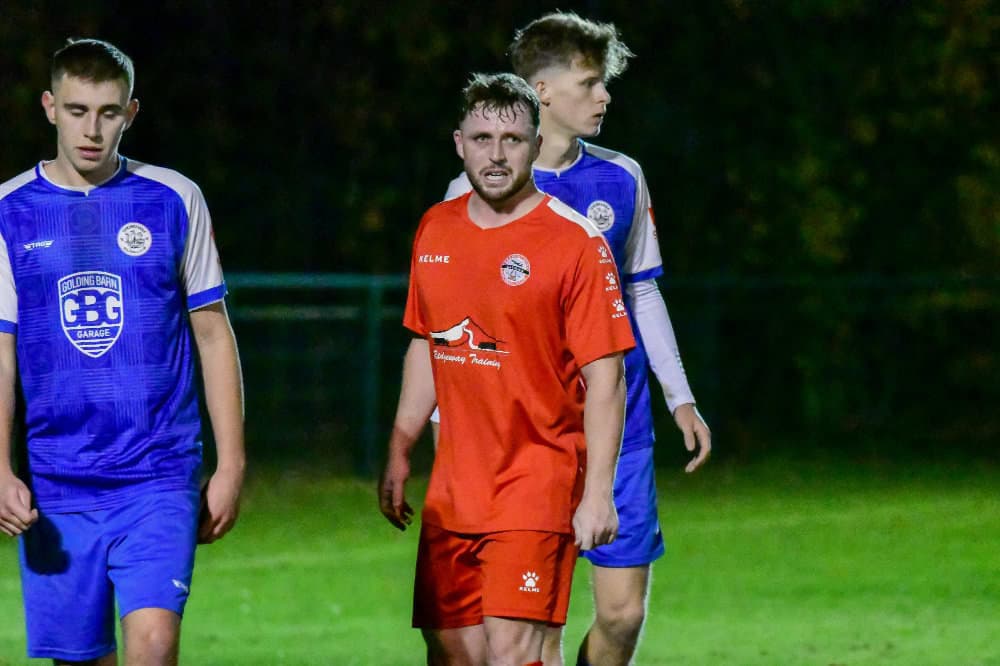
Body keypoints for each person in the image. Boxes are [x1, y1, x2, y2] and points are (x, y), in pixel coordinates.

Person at [437, 12, 712, 666]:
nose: (604, 95)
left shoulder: (622, 177)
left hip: (621, 429)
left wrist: (680, 395)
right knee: (538, 627)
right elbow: (452, 319)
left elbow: (642, 290)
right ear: (543, 91)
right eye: (590, 82)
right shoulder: (475, 188)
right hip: (526, 441)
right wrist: (449, 422)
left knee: (622, 615)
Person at [0, 38, 245, 665]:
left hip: (158, 470)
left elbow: (212, 332)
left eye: (108, 112)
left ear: (130, 113)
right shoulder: (9, 210)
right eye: (77, 111)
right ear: (49, 107)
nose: (92, 129)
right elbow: (1, 350)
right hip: (58, 479)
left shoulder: (173, 198)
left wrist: (232, 463)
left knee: (154, 645)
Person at [378, 72, 635, 666]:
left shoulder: (574, 242)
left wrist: (598, 494)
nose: (496, 154)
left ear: (535, 143)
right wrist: (400, 446)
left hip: (536, 482)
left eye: (512, 140)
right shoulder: (435, 228)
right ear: (459, 144)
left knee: (512, 652)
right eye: (482, 138)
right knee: (451, 652)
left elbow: (606, 377)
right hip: (453, 490)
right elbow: (428, 344)